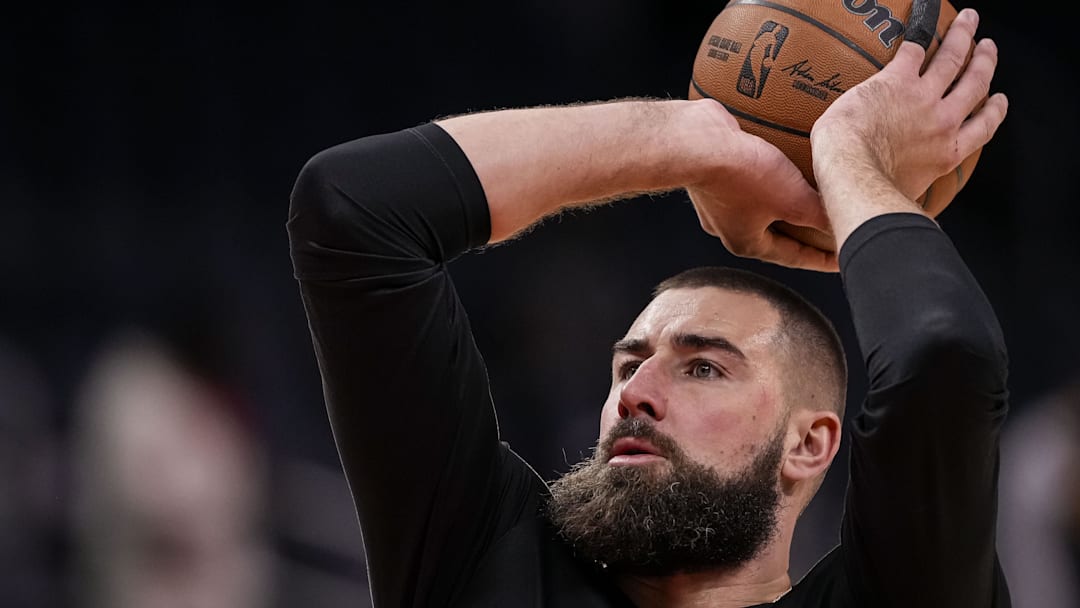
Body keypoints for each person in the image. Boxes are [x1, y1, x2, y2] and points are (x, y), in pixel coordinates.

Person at [287, 8, 1010, 607]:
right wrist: (700, 139)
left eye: (702, 369)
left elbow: (943, 355)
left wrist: (849, 153)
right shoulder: (490, 563)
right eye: (626, 366)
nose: (635, 394)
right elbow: (354, 209)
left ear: (809, 444)